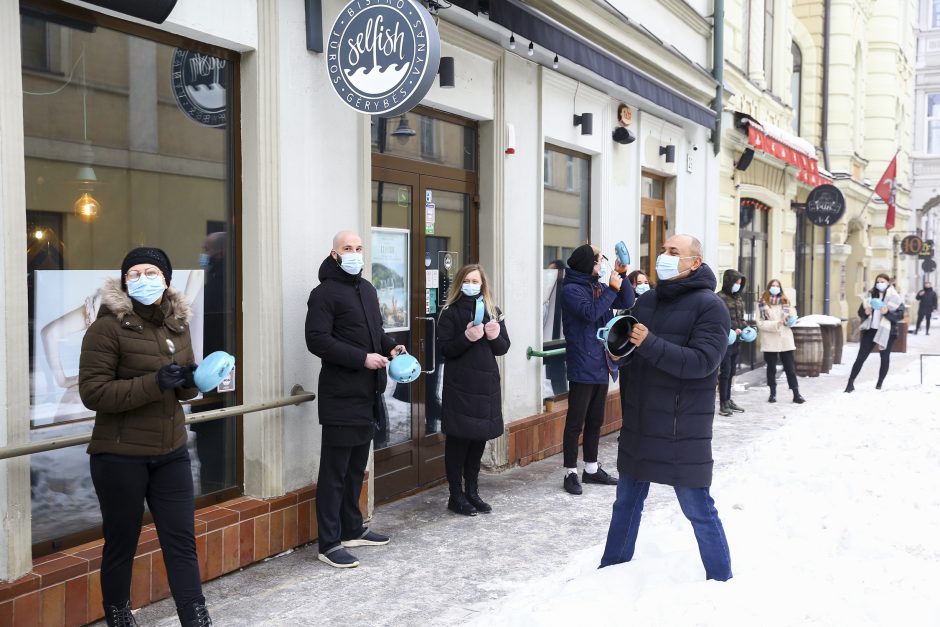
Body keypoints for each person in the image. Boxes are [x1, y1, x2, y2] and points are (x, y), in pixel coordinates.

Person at [78, 247, 212, 627]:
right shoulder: (106, 328)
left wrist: (191, 381)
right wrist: (154, 383)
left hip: (171, 451)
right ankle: (119, 615)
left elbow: (183, 388)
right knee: (122, 543)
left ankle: (195, 616)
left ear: (166, 279)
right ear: (123, 281)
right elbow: (94, 393)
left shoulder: (177, 324)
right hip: (119, 456)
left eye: (150, 271)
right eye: (133, 273)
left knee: (181, 540)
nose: (142, 279)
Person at [600, 234, 732, 581]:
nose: (665, 256)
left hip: (680, 429)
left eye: (674, 252)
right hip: (640, 424)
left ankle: (721, 582)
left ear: (695, 263)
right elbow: (633, 353)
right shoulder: (647, 302)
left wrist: (649, 343)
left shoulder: (711, 306)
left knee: (698, 509)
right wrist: (617, 354)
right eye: (663, 250)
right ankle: (609, 575)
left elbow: (702, 362)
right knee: (625, 505)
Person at [305, 231, 405, 569]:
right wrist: (361, 358)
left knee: (354, 469)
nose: (355, 254)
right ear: (334, 254)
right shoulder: (323, 294)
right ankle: (329, 543)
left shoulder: (368, 289)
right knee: (334, 472)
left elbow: (374, 332)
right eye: (348, 248)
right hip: (340, 395)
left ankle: (351, 528)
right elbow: (317, 340)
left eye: (359, 249)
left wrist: (390, 344)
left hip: (367, 395)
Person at [560, 244, 634, 495]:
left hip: (602, 361)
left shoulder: (599, 286)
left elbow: (626, 300)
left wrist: (621, 276)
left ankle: (591, 468)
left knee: (595, 420)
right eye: (598, 260)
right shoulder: (571, 290)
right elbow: (591, 313)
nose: (601, 263)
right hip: (582, 362)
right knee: (576, 421)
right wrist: (611, 289)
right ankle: (569, 471)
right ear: (586, 263)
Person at [437, 264, 510, 516]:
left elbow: (503, 348)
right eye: (467, 280)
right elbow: (445, 349)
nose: (471, 284)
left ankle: (473, 491)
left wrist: (494, 335)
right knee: (458, 441)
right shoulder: (450, 312)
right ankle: (455, 495)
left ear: (483, 285)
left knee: (478, 439)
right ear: (460, 283)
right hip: (460, 387)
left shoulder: (493, 311)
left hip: (485, 386)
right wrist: (466, 337)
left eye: (475, 281)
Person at [845, 274, 904, 392]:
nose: (880, 284)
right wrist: (865, 312)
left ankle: (879, 384)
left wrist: (887, 312)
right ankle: (850, 383)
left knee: (884, 357)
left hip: (887, 331)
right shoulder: (870, 295)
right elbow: (860, 312)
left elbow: (899, 316)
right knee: (861, 357)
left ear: (888, 282)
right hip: (871, 330)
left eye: (882, 281)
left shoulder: (895, 298)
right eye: (878, 281)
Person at [756, 279, 805, 404]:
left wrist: (791, 320)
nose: (775, 288)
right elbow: (760, 324)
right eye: (772, 286)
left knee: (790, 368)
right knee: (771, 368)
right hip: (770, 340)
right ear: (768, 288)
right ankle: (772, 393)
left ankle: (796, 393)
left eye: (777, 286)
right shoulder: (762, 304)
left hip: (785, 340)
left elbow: (794, 318)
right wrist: (777, 323)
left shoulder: (786, 302)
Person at [617, 271, 651, 421]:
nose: (643, 286)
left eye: (646, 283)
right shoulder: (626, 305)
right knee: (628, 394)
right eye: (639, 283)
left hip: (648, 356)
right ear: (631, 286)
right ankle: (628, 426)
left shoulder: (654, 304)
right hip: (629, 356)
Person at [717, 269, 747, 416]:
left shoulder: (738, 298)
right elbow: (717, 320)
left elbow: (741, 318)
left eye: (740, 283)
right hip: (726, 341)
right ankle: (723, 403)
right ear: (729, 282)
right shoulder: (719, 298)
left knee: (732, 372)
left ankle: (728, 400)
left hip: (737, 341)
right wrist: (730, 330)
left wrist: (746, 328)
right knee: (725, 372)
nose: (738, 285)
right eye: (736, 282)